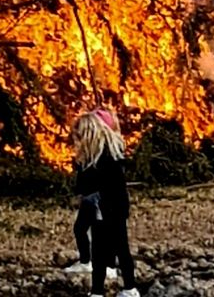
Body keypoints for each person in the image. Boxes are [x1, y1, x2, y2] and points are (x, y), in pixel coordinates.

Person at [71, 108, 139, 297]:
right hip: (101, 210)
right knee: (100, 253)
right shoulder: (96, 160)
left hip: (111, 211)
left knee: (120, 249)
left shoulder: (107, 160)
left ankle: (130, 288)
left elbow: (109, 188)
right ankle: (97, 291)